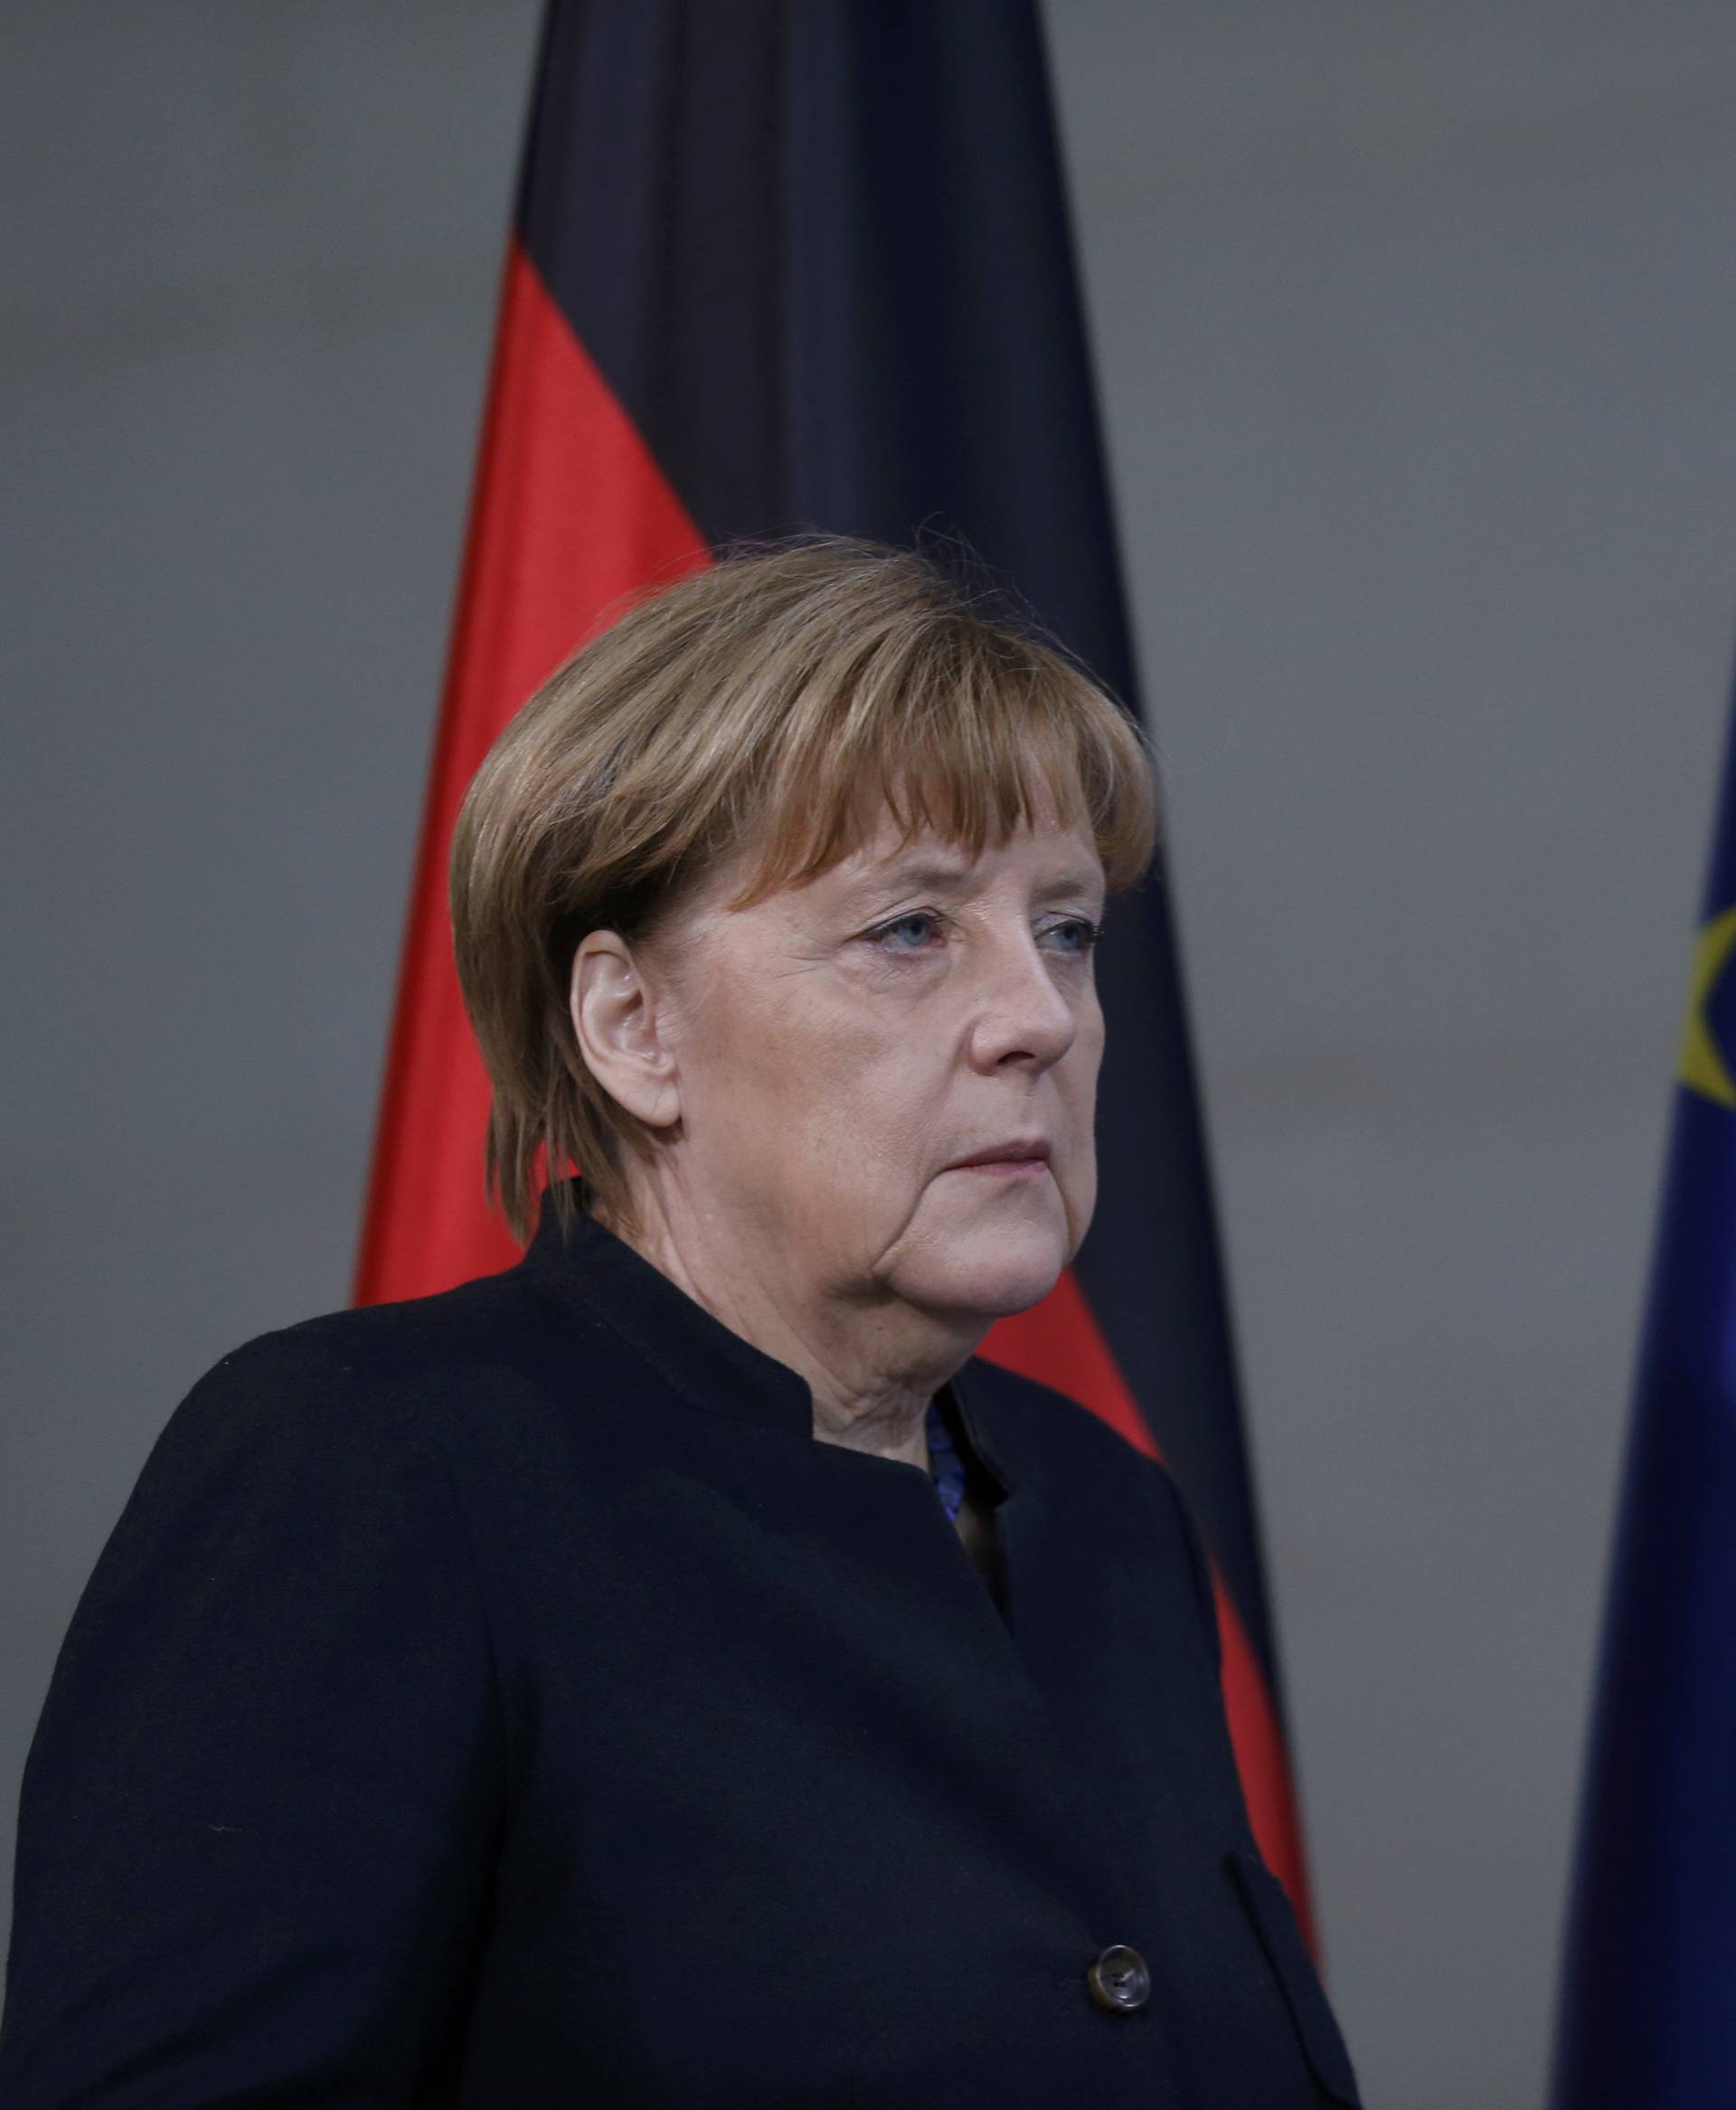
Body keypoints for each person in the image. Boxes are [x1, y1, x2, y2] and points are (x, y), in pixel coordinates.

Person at [0, 538, 1361, 2106]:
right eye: (911, 929)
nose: (1042, 1017)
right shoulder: (377, 1472)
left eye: (1064, 927)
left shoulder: (1110, 1522)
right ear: (634, 1027)